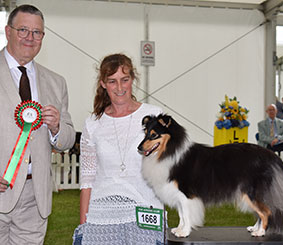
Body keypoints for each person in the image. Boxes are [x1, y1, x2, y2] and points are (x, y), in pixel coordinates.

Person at [0, 4, 75, 244]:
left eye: (37, 32)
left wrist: (56, 129)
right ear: (7, 31)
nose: (30, 38)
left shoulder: (56, 82)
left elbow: (68, 139)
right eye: (23, 30)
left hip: (36, 197)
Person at [73, 54, 165, 244]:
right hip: (101, 219)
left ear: (133, 79)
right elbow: (87, 181)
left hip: (145, 213)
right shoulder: (92, 124)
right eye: (112, 81)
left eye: (125, 80)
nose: (120, 87)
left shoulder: (154, 115)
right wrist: (84, 227)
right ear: (103, 84)